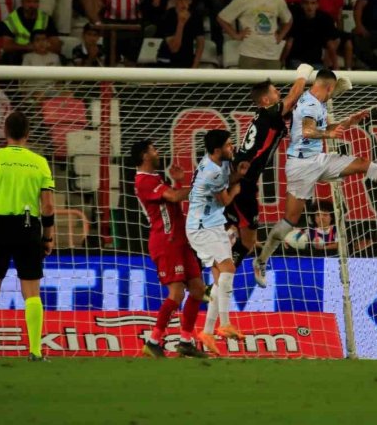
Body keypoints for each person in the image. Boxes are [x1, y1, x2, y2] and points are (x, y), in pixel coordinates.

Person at [253, 69, 377, 287]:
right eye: (334, 90)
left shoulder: (316, 102)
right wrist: (328, 134)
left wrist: (348, 122)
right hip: (301, 167)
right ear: (329, 88)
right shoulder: (309, 104)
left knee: (362, 163)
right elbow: (308, 131)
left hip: (317, 159)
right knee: (289, 220)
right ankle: (261, 260)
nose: (333, 94)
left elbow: (321, 128)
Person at [0, 110, 55, 362]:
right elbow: (48, 206)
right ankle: (35, 352)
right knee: (32, 292)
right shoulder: (39, 162)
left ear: (5, 132)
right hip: (28, 226)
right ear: (28, 133)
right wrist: (47, 237)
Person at [225, 65, 312, 270]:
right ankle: (216, 277)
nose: (279, 93)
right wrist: (303, 74)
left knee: (244, 239)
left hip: (240, 179)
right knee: (246, 241)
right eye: (275, 91)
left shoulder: (267, 117)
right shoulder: (268, 114)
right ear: (265, 100)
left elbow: (297, 104)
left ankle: (217, 277)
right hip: (242, 181)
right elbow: (292, 98)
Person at [132, 139, 208, 358]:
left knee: (198, 289)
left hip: (180, 240)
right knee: (177, 293)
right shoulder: (143, 180)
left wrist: (178, 182)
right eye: (153, 150)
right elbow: (174, 197)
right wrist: (200, 186)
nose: (157, 153)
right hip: (166, 242)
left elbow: (171, 202)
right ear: (145, 156)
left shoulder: (156, 178)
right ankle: (153, 341)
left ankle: (185, 341)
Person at [187, 129, 249, 352]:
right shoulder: (211, 171)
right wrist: (235, 190)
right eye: (228, 145)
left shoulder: (220, 163)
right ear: (216, 150)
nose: (232, 147)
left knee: (219, 279)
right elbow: (224, 200)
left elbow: (225, 181)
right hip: (201, 227)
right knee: (228, 269)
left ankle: (207, 332)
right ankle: (224, 324)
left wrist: (237, 176)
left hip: (213, 224)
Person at [217, 0, 293, 70]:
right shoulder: (243, 0)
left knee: (272, 81)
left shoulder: (278, 1)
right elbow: (221, 18)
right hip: (249, 54)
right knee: (248, 81)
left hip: (272, 54)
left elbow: (288, 20)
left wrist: (280, 36)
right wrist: (236, 35)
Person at [0, 0, 62, 64]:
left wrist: (41, 47)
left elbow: (56, 45)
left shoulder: (46, 19)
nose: (32, 5)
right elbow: (7, 46)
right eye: (28, 2)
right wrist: (28, 47)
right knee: (9, 57)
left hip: (42, 53)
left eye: (35, 2)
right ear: (22, 2)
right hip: (19, 54)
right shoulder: (11, 19)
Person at [284, 0, 339, 69]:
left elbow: (331, 44)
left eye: (313, 3)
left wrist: (335, 66)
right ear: (302, 4)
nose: (309, 6)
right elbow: (289, 43)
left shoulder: (325, 19)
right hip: (296, 60)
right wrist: (282, 61)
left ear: (317, 5)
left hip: (316, 62)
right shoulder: (295, 17)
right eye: (306, 3)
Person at [155, 0, 204, 68]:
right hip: (167, 60)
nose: (182, 2)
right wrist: (181, 23)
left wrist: (194, 66)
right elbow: (174, 48)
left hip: (187, 58)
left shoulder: (196, 16)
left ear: (190, 0)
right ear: (174, 0)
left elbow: (201, 43)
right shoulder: (167, 16)